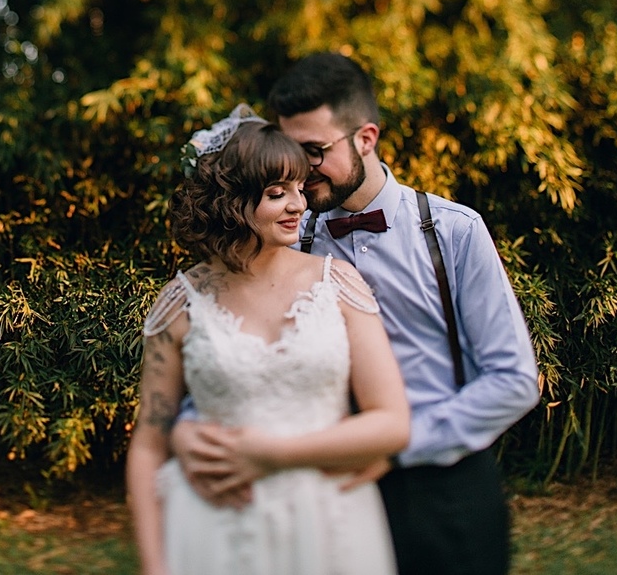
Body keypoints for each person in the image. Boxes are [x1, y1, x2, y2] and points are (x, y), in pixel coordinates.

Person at [173, 55, 541, 575]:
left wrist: (396, 445)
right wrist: (190, 424)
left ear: (365, 138)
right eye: (289, 152)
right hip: (322, 496)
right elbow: (235, 348)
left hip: (443, 489)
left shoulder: (453, 232)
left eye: (313, 151)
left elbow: (513, 379)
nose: (299, 170)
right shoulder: (283, 240)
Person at [126, 105, 410, 575]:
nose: (299, 205)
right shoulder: (180, 303)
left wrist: (272, 455)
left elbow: (392, 423)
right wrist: (154, 566)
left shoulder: (339, 283)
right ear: (229, 201)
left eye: (299, 188)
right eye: (278, 193)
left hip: (328, 520)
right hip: (214, 527)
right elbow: (148, 445)